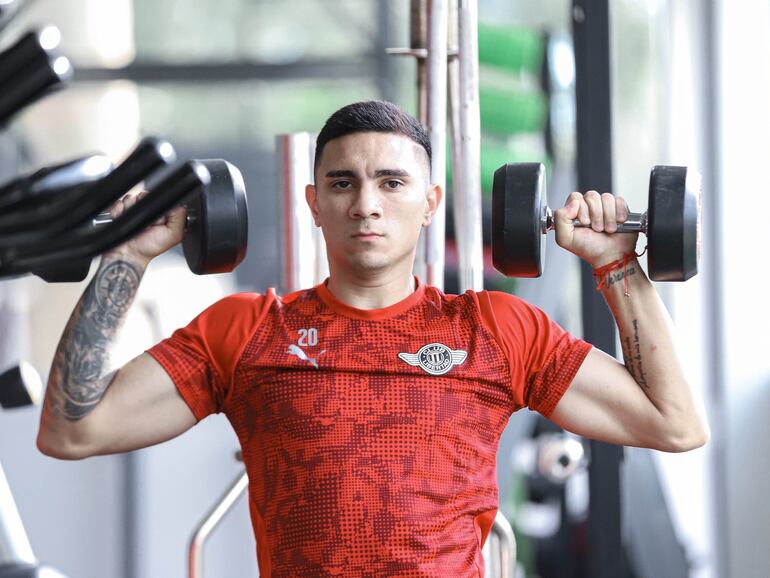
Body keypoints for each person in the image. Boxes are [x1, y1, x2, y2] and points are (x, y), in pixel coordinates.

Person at [37, 100, 709, 576]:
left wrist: (616, 264)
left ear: (431, 204)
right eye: (343, 183)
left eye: (392, 182)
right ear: (314, 203)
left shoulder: (497, 331)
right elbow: (73, 430)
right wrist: (126, 255)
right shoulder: (244, 332)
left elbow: (674, 424)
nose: (366, 203)